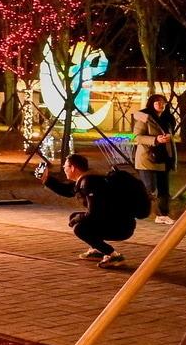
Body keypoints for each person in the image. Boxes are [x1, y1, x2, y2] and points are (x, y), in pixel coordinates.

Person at [39, 153, 133, 268]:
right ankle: (97, 249)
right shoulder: (86, 179)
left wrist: (78, 219)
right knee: (76, 217)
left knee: (80, 228)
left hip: (121, 226)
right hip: (115, 220)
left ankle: (113, 255)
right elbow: (67, 191)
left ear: (73, 168)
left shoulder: (90, 183)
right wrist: (47, 180)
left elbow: (95, 212)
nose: (64, 168)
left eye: (65, 166)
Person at [132, 93, 177, 225]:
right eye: (157, 102)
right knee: (150, 189)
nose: (161, 104)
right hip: (147, 158)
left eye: (163, 102)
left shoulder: (168, 118)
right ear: (151, 104)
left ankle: (162, 214)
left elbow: (171, 137)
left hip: (164, 158)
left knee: (164, 189)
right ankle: (136, 210)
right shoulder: (144, 118)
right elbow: (136, 137)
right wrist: (155, 139)